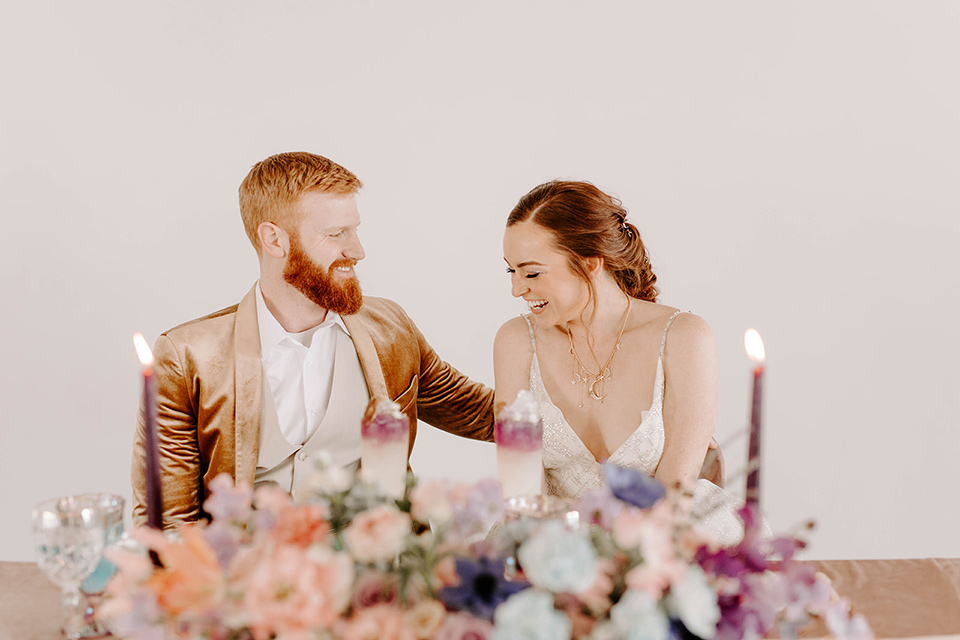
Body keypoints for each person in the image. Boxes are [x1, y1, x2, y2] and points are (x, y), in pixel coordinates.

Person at [132, 152, 495, 529]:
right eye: (337, 234)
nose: (357, 251)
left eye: (354, 230)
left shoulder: (391, 327)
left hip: (378, 578)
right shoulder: (187, 355)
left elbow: (480, 412)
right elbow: (169, 521)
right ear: (274, 239)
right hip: (247, 580)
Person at [494, 180, 745, 544]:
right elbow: (520, 496)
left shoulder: (685, 337)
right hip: (551, 544)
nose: (517, 289)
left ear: (590, 263)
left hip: (667, 539)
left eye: (532, 273)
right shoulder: (515, 341)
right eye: (511, 272)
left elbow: (674, 491)